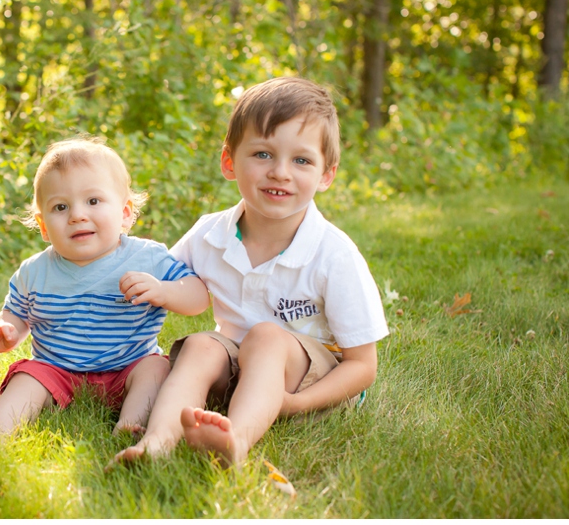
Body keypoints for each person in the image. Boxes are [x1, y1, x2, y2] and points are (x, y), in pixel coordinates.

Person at [112, 77, 389, 467]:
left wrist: (293, 403)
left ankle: (236, 440)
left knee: (266, 336)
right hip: (239, 368)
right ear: (229, 162)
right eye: (262, 154)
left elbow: (363, 366)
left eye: (302, 160)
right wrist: (144, 282)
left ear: (326, 174)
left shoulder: (333, 254)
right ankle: (155, 444)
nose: (280, 172)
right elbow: (165, 280)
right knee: (200, 344)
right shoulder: (210, 234)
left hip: (312, 379)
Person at [0, 136, 210, 454]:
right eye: (60, 207)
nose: (77, 215)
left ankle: (129, 424)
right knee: (27, 377)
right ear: (43, 226)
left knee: (157, 369)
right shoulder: (34, 271)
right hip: (58, 370)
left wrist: (163, 290)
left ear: (125, 214)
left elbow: (198, 297)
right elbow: (16, 314)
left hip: (129, 368)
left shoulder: (148, 258)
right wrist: (9, 332)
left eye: (93, 201)